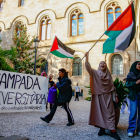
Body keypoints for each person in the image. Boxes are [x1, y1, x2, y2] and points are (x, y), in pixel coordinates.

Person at [85, 52, 121, 140]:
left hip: (108, 96)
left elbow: (112, 86)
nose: (103, 64)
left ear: (106, 66)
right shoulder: (95, 73)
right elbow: (88, 68)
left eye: (104, 63)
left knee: (110, 113)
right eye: (101, 63)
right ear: (99, 65)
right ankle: (102, 129)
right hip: (99, 96)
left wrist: (115, 96)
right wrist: (87, 58)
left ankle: (113, 131)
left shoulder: (108, 75)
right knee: (100, 113)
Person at [126, 61, 140, 137]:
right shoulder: (130, 74)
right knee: (133, 113)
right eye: (139, 64)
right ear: (135, 65)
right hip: (134, 96)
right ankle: (131, 130)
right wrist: (136, 83)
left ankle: (139, 130)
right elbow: (127, 84)